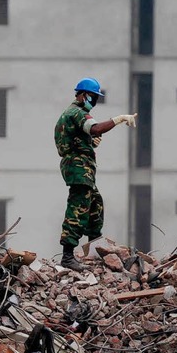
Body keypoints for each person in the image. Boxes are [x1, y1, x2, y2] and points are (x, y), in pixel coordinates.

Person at [54, 77, 137, 271]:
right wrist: (118, 119)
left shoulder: (72, 113)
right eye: (92, 97)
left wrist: (89, 142)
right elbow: (96, 128)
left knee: (94, 203)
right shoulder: (77, 112)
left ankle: (94, 248)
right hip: (78, 167)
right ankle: (67, 256)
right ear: (82, 95)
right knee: (78, 206)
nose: (94, 101)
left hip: (81, 166)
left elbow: (78, 137)